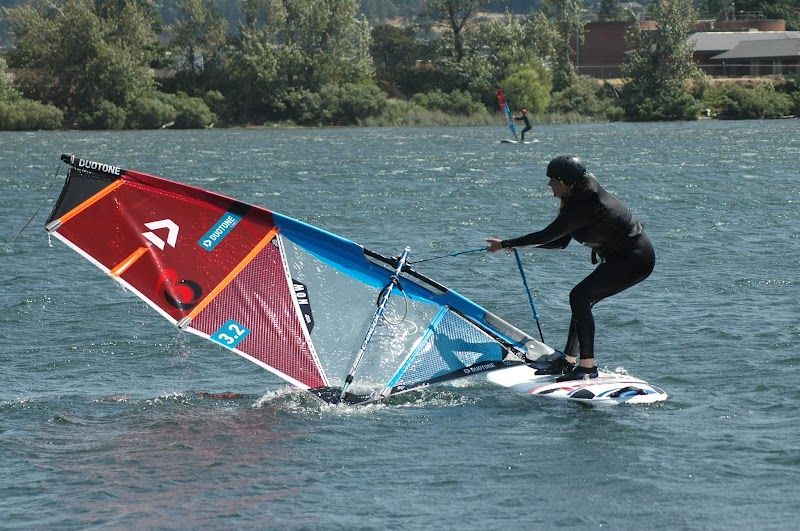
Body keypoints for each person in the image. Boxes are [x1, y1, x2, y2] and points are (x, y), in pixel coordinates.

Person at [485, 155, 655, 382]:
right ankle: (569, 361)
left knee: (580, 297)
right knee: (581, 299)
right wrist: (515, 247)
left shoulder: (583, 203)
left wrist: (507, 244)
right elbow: (560, 241)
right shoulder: (576, 196)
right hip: (619, 258)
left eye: (552, 180)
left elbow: (549, 234)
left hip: (635, 259)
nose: (549, 185)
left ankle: (587, 366)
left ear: (565, 182)